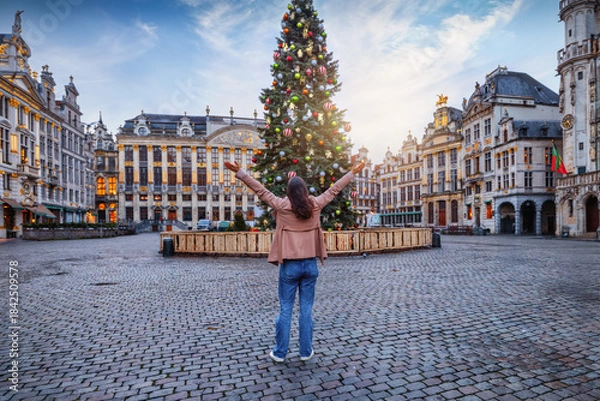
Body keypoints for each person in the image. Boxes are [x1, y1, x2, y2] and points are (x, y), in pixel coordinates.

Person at [224, 159, 365, 363]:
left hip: (289, 265)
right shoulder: (315, 204)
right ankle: (306, 351)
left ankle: (280, 352)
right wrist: (351, 172)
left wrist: (241, 173)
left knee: (285, 309)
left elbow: (261, 191)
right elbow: (334, 190)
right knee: (306, 310)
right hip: (310, 265)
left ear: (289, 193)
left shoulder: (282, 206)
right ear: (305, 191)